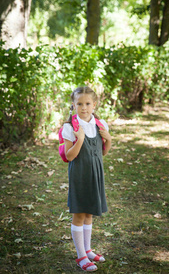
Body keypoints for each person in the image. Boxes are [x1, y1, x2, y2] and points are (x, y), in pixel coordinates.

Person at [62, 86, 112, 272]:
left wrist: (109, 140)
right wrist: (80, 139)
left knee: (89, 212)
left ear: (94, 105)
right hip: (80, 175)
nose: (84, 107)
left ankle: (88, 249)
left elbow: (103, 152)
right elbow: (69, 156)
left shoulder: (100, 124)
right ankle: (81, 256)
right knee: (79, 214)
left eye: (88, 103)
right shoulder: (70, 127)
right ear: (73, 105)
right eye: (79, 104)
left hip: (95, 174)